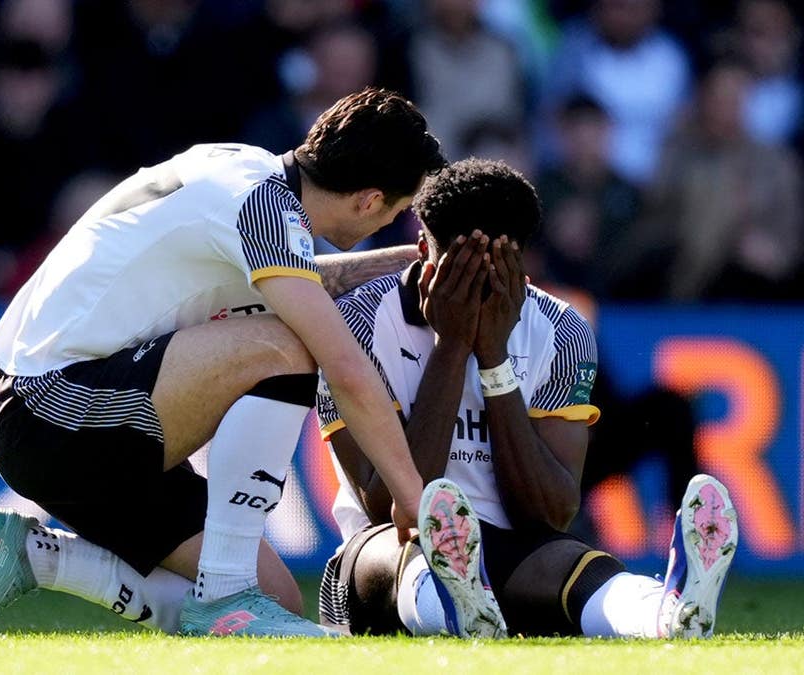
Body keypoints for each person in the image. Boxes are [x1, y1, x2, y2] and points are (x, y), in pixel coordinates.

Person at [0, 88, 445, 638]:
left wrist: (411, 263)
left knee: (276, 599)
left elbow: (302, 280)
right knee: (293, 345)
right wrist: (414, 500)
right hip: (50, 411)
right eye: (398, 211)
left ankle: (31, 557)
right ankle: (227, 590)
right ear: (370, 201)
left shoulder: (249, 172)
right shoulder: (264, 208)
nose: (390, 221)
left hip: (66, 409)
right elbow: (344, 366)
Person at [315, 158, 738, 638]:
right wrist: (452, 347)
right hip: (387, 558)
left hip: (517, 553)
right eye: (460, 272)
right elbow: (389, 506)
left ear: (521, 264)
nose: (477, 290)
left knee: (578, 564)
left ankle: (666, 614)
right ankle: (455, 606)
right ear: (422, 253)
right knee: (400, 553)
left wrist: (493, 359)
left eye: (495, 271)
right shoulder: (357, 324)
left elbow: (550, 514)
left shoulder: (562, 329)